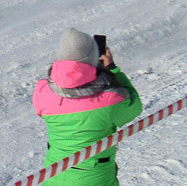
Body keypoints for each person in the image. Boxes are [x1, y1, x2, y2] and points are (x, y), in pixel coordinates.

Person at [33, 28, 143, 185]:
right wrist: (113, 71)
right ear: (93, 60)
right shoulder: (111, 99)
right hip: (94, 178)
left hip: (54, 174)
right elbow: (134, 107)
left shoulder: (42, 91)